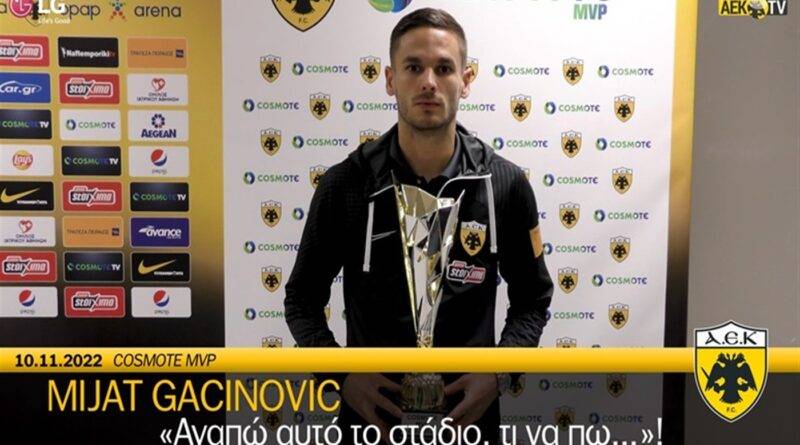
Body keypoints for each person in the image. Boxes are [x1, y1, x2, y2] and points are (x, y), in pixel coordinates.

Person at [284, 7, 553, 443]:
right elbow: (301, 300)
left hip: (468, 427)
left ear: (466, 80)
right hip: (372, 427)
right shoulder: (347, 185)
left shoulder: (504, 185)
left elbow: (533, 301)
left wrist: (498, 374)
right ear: (391, 79)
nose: (428, 81)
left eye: (444, 68)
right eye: (413, 67)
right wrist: (341, 376)